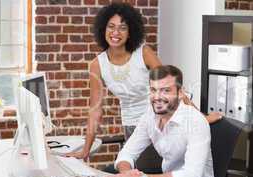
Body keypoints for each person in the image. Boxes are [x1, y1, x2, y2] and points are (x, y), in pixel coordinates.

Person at [65, 2, 221, 160]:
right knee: (131, 169)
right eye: (111, 26)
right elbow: (95, 111)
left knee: (150, 173)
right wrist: (86, 150)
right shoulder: (97, 65)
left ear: (130, 32)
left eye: (123, 28)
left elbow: (172, 88)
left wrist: (201, 118)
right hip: (132, 127)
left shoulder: (143, 53)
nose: (115, 32)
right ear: (103, 29)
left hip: (161, 122)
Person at [100, 65, 215, 177]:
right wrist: (127, 174)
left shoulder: (195, 121)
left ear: (181, 93)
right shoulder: (150, 114)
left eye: (165, 90)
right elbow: (127, 152)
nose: (157, 97)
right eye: (153, 90)